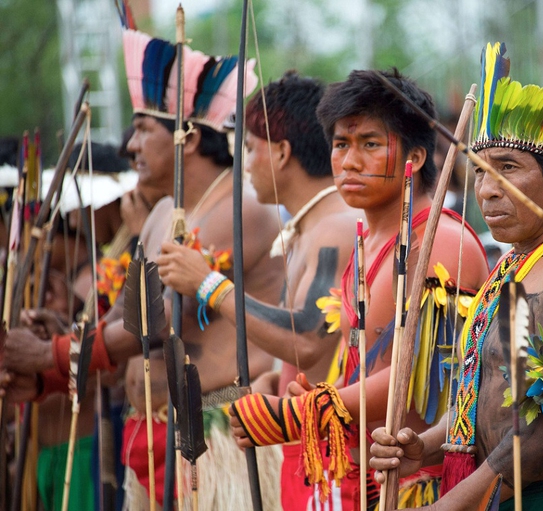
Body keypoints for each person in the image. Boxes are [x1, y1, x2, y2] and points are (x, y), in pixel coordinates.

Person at [1, 28, 284, 510]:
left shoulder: (240, 209)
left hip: (216, 444)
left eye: (143, 129)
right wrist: (55, 366)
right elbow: (122, 324)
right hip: (151, 437)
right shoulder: (159, 213)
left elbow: (158, 320)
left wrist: (52, 354)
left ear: (188, 136)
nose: (130, 144)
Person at [369, 42, 543, 510]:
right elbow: (489, 389)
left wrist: (447, 507)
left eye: (507, 169)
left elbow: (541, 436)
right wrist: (424, 446)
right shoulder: (520, 258)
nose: (487, 191)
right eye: (480, 172)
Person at [228, 68, 489, 509]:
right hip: (365, 482)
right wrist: (295, 389)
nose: (349, 162)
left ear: (417, 158)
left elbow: (420, 381)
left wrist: (300, 415)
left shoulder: (439, 243)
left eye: (370, 144)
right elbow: (364, 359)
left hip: (423, 487)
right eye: (341, 144)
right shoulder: (368, 242)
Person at [155, 70, 360, 510]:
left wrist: (209, 284)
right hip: (303, 448)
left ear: (282, 152)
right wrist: (273, 379)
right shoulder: (311, 227)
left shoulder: (336, 229)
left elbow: (305, 337)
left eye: (250, 148)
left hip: (330, 460)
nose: (244, 164)